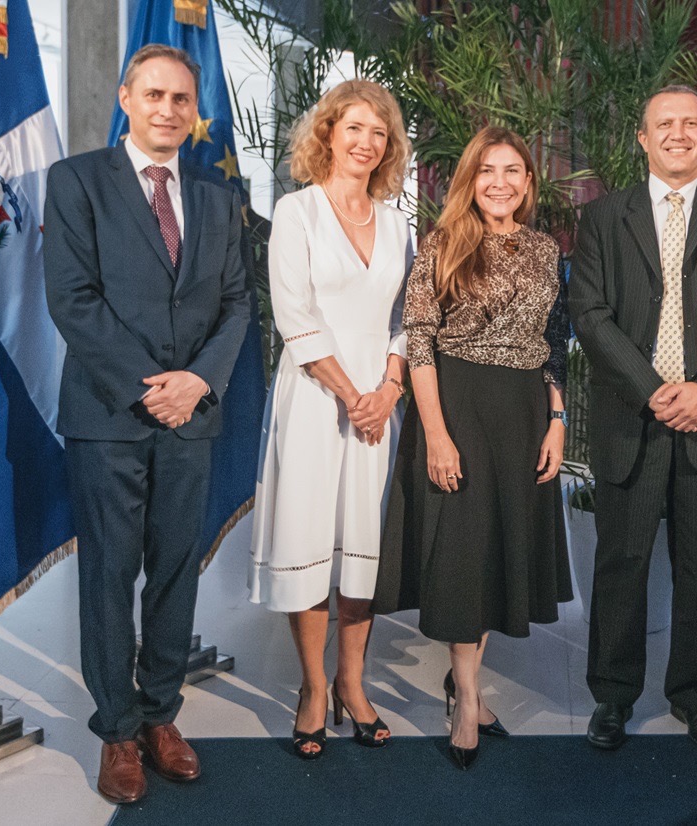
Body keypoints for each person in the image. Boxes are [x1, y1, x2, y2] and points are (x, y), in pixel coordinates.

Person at [42, 44, 250, 803]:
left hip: (191, 415)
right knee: (108, 573)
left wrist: (196, 382)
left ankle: (161, 714)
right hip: (109, 416)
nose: (167, 109)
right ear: (126, 98)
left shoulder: (219, 200)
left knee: (173, 570)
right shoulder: (76, 181)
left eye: (181, 99)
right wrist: (150, 387)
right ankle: (118, 730)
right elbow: (72, 298)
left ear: (194, 112)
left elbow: (237, 304)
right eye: (154, 95)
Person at [570, 85, 697, 753]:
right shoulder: (604, 216)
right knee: (621, 562)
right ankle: (612, 695)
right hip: (631, 417)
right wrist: (653, 389)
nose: (678, 134)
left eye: (692, 124)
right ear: (643, 138)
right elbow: (590, 313)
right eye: (665, 124)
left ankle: (691, 694)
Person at [372, 125, 572, 770]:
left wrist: (558, 420)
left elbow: (556, 342)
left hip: (523, 414)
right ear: (469, 180)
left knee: (495, 555)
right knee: (463, 557)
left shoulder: (545, 250)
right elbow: (420, 342)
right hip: (456, 406)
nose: (500, 183)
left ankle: (466, 685)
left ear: (529, 182)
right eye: (487, 171)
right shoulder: (441, 244)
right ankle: (465, 700)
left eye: (513, 171)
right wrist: (436, 434)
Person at [247, 80, 413, 759]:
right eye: (354, 128)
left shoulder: (399, 223)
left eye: (378, 131)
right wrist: (352, 395)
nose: (365, 142)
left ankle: (353, 682)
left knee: (363, 547)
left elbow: (409, 317)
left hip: (380, 403)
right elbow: (294, 314)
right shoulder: (297, 212)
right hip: (317, 399)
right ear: (327, 134)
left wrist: (390, 388)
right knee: (311, 540)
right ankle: (313, 688)